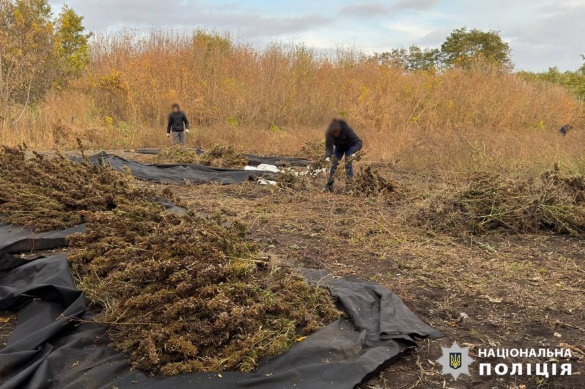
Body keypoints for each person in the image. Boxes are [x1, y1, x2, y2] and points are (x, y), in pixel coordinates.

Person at [324, 119, 362, 192]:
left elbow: (358, 142)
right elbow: (328, 147)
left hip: (350, 147)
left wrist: (354, 152)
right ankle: (329, 186)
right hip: (339, 147)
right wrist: (328, 156)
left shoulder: (348, 130)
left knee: (348, 165)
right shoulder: (329, 132)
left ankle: (350, 188)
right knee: (334, 164)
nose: (335, 135)